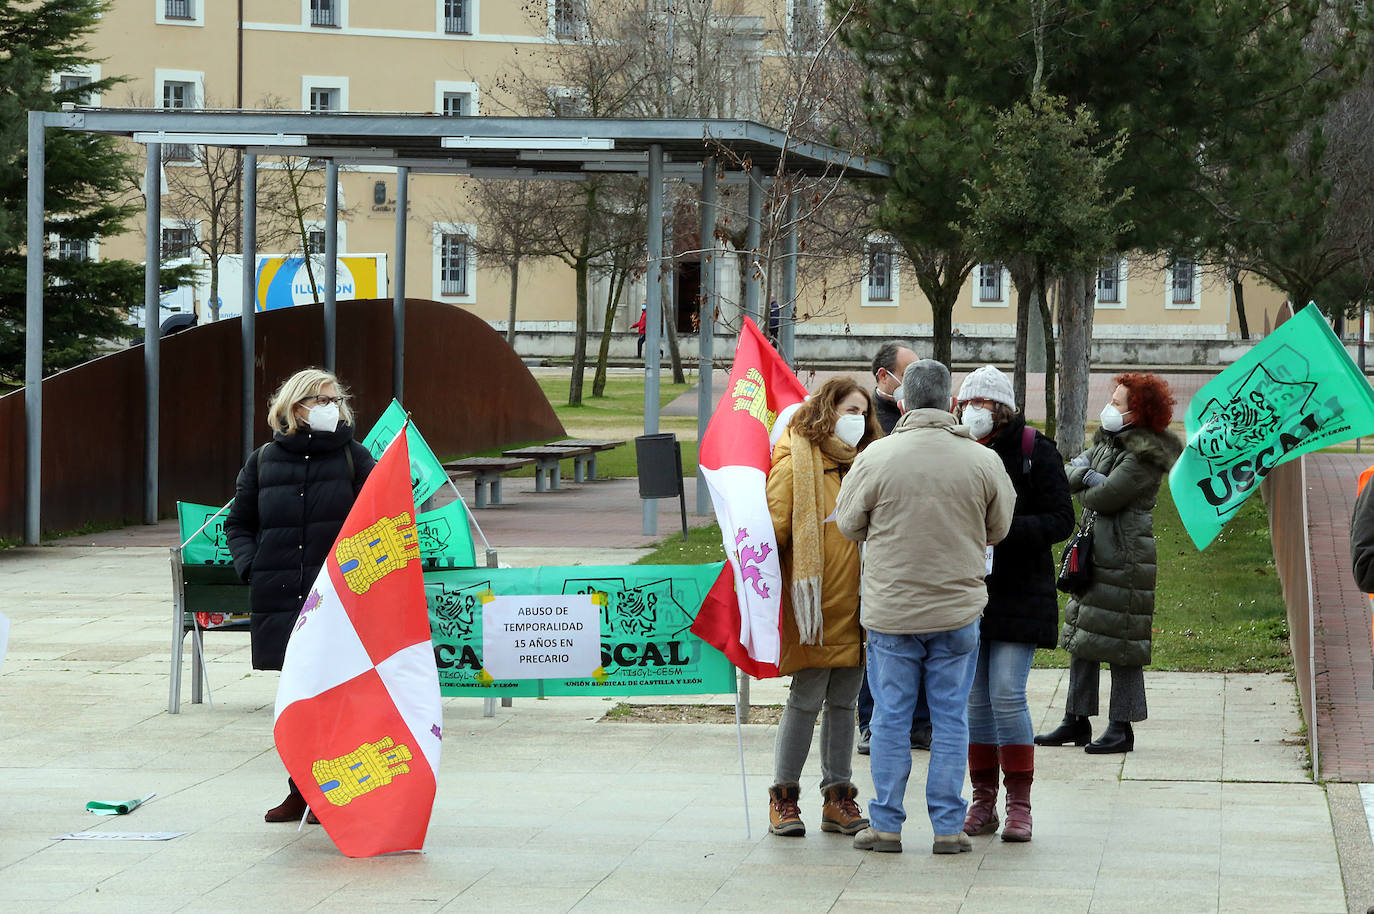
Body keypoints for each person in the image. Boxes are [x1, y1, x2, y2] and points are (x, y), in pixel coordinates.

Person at [836, 360, 1015, 855]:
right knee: (951, 717)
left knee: (890, 718)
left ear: (901, 401)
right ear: (951, 402)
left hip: (892, 611)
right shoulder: (981, 461)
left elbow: (849, 524)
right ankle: (948, 826)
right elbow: (999, 528)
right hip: (958, 612)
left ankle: (887, 824)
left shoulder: (876, 457)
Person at [226, 368, 375, 823]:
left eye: (335, 399)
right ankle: (301, 789)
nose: (332, 407)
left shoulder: (355, 457)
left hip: (336, 601)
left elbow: (381, 519)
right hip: (282, 596)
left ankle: (338, 791)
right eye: (321, 399)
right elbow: (239, 523)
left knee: (338, 697)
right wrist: (252, 566)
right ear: (296, 407)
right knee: (298, 699)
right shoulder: (263, 461)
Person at [953, 366, 1074, 843]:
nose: (972, 413)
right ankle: (983, 800)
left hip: (1019, 590)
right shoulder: (957, 450)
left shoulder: (1033, 451)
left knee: (1006, 692)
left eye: (981, 405)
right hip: (966, 590)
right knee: (974, 699)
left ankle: (1019, 802)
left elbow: (1061, 518)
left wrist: (1003, 534)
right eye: (966, 404)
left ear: (999, 409)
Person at [1035, 373, 1182, 755]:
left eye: (1118, 403)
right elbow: (1074, 474)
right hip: (1096, 549)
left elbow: (1107, 496)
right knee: (1084, 633)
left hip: (1125, 555)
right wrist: (1090, 476)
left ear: (1139, 411)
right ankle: (1076, 718)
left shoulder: (1147, 454)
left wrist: (1087, 479)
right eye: (1112, 400)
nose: (1109, 409)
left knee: (1122, 640)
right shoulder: (1108, 440)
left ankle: (1121, 727)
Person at [765, 377, 883, 838]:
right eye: (848, 410)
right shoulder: (796, 461)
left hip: (860, 605)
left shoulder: (869, 463)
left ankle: (839, 798)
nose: (857, 420)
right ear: (825, 412)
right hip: (813, 606)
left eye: (862, 412)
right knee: (806, 700)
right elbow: (773, 531)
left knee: (845, 703)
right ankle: (784, 798)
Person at [858, 340, 931, 755]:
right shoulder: (867, 420)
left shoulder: (923, 419)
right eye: (909, 373)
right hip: (880, 548)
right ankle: (872, 722)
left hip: (921, 544)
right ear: (884, 376)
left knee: (923, 637)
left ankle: (921, 723)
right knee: (881, 643)